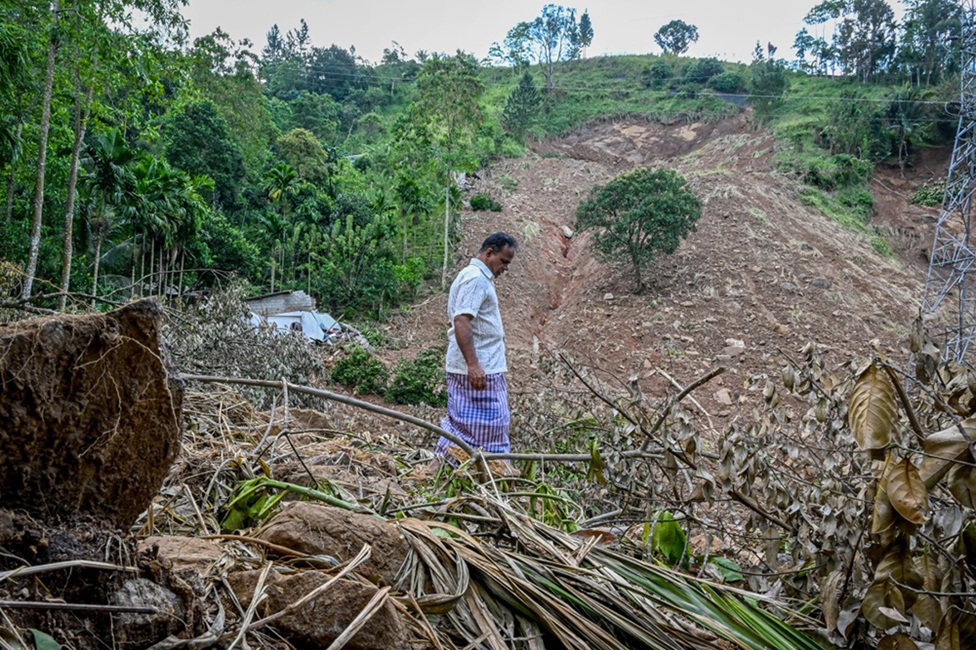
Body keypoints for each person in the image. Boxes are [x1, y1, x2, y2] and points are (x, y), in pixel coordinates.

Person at [435, 232, 517, 462]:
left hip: (480, 366)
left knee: (464, 426)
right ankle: (494, 474)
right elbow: (461, 320)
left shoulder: (475, 276)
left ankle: (441, 467)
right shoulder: (475, 279)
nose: (505, 268)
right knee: (490, 427)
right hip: (478, 369)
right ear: (489, 253)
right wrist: (473, 365)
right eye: (504, 261)